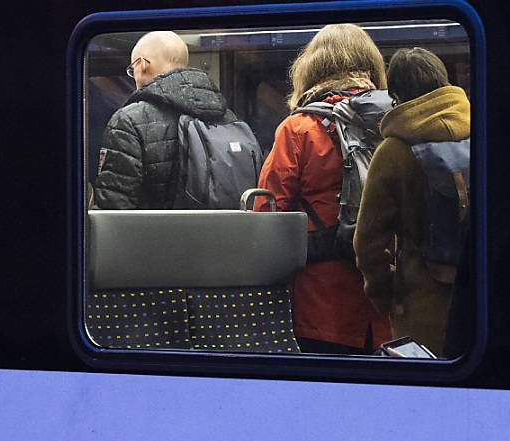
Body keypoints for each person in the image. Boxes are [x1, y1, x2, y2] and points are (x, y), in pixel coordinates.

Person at [256, 24, 391, 355]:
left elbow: (267, 213)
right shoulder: (394, 122)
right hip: (387, 294)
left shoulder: (299, 128)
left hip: (322, 300)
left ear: (312, 68)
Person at [354, 48, 471, 356]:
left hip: (420, 303)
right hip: (480, 301)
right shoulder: (482, 133)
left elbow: (369, 243)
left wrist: (387, 297)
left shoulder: (394, 151)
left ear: (397, 95)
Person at [92, 31, 238, 209]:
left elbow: (114, 206)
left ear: (142, 64)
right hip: (223, 235)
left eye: (132, 69)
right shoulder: (227, 116)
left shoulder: (128, 120)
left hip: (152, 236)